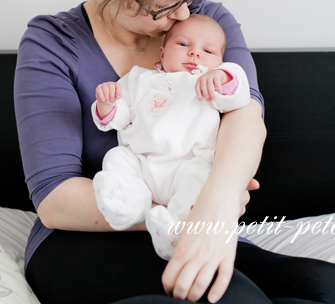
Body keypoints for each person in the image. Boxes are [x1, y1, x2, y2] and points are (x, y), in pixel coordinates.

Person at [14, 0, 335, 304]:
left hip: (201, 217)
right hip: (84, 239)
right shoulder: (53, 42)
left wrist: (214, 209)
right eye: (164, 7)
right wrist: (188, 218)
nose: (184, 15)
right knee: (237, 300)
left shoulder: (206, 24)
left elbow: (245, 115)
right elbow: (54, 199)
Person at [92, 15, 251, 260]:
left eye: (208, 50)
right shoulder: (138, 79)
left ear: (220, 60)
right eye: (184, 45)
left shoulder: (210, 84)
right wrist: (107, 104)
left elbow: (239, 96)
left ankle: (176, 232)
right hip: (141, 163)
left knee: (198, 183)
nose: (195, 53)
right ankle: (128, 204)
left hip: (187, 164)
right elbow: (121, 117)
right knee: (116, 156)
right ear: (163, 53)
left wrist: (222, 77)